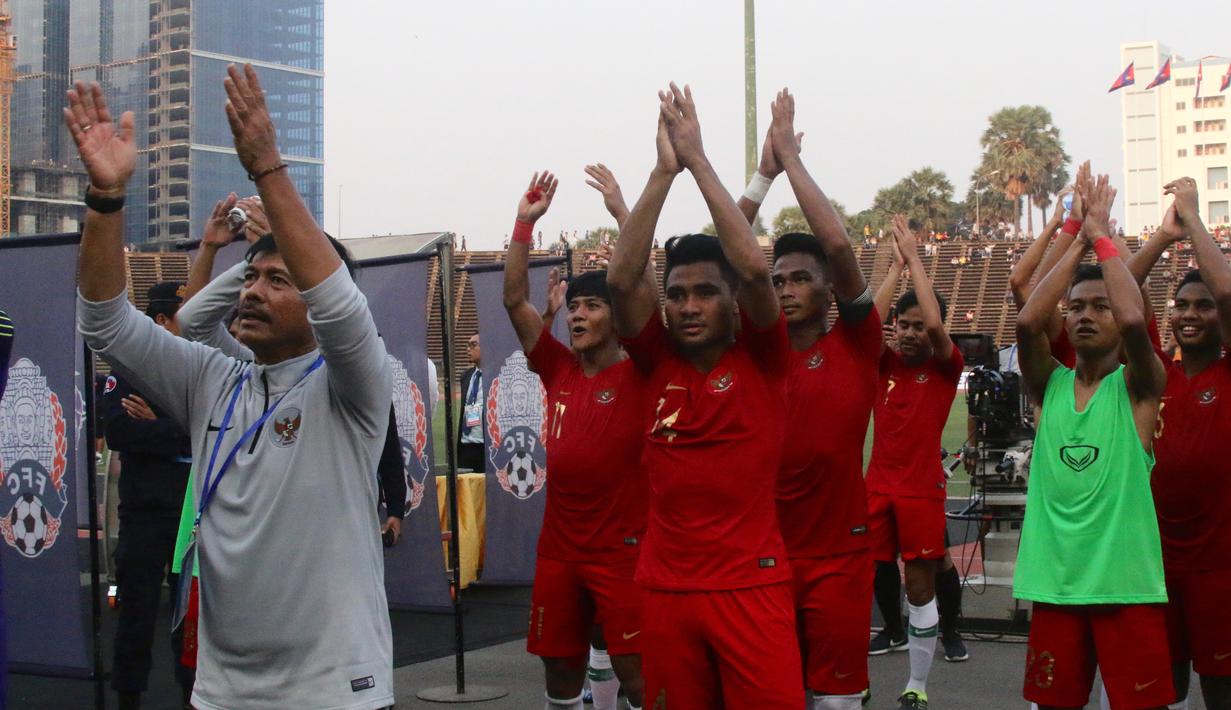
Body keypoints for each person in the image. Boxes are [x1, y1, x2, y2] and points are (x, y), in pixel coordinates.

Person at [70, 65, 394, 710]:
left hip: (334, 692)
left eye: (278, 281)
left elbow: (336, 304)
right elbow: (105, 322)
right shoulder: (212, 381)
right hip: (221, 692)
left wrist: (268, 172)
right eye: (250, 279)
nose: (251, 291)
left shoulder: (351, 385)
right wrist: (106, 202)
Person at [606, 82, 803, 708]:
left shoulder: (764, 357)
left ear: (733, 304)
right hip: (666, 592)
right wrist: (664, 172)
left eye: (705, 294)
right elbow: (620, 277)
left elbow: (749, 267)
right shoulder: (654, 360)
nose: (689, 307)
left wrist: (699, 160)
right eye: (679, 295)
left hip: (752, 590)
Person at [736, 88, 879, 710]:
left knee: (837, 699)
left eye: (799, 278)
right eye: (777, 280)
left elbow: (843, 248)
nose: (786, 289)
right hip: (763, 556)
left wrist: (792, 161)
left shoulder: (857, 342)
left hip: (841, 555)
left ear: (826, 289)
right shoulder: (753, 349)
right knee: (776, 696)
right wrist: (762, 176)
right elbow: (719, 257)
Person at [1015, 170, 1171, 710]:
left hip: (1126, 589)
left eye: (1098, 306)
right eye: (1077, 306)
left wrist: (1103, 239)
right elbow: (1029, 319)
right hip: (1057, 588)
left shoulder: (1138, 388)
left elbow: (1133, 315)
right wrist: (1078, 234)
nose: (1085, 315)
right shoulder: (1050, 386)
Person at [503, 169, 647, 710]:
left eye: (594, 307)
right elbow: (514, 300)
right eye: (576, 307)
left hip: (624, 555)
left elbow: (637, 284)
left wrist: (621, 212)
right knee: (560, 681)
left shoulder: (643, 372)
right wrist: (524, 222)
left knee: (639, 679)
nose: (579, 316)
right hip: (561, 553)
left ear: (618, 317)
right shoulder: (558, 368)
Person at [1125, 177, 1231, 710]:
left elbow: (1229, 290)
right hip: (1155, 563)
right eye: (1181, 305)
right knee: (1161, 687)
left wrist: (1192, 220)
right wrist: (1163, 238)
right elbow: (1121, 295)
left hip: (1220, 565)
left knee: (1220, 687)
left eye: (1202, 306)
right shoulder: (1155, 374)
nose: (1188, 314)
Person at [868, 215, 965, 709]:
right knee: (867, 574)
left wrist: (918, 264)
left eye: (915, 326)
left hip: (919, 490)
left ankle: (917, 686)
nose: (906, 333)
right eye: (900, 326)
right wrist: (895, 268)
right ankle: (882, 645)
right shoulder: (881, 361)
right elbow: (866, 324)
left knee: (922, 585)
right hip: (875, 488)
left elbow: (933, 324)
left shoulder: (946, 366)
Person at [102, 282, 193, 710]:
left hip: (192, 513)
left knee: (189, 619)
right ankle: (128, 698)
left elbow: (215, 429)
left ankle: (191, 696)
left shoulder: (200, 367)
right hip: (144, 512)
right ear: (162, 319)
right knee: (135, 615)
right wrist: (177, 428)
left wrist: (160, 422)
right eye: (184, 311)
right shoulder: (128, 370)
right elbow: (119, 431)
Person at [457, 333, 484, 472]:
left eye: (473, 345)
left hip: (485, 446)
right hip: (466, 445)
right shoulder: (466, 376)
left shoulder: (495, 376)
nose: (468, 349)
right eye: (468, 345)